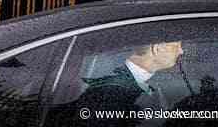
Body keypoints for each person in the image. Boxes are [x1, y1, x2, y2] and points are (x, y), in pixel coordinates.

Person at [45, 42, 183, 127]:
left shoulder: (141, 80)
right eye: (177, 45)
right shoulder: (111, 92)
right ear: (158, 48)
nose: (181, 51)